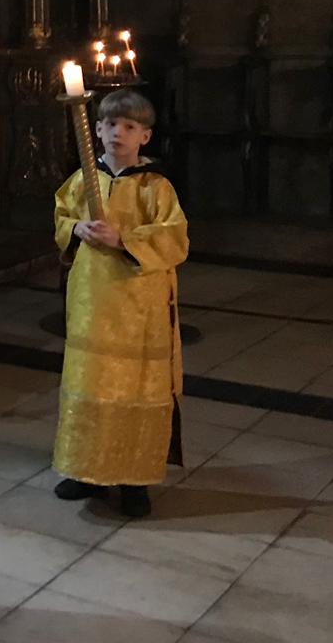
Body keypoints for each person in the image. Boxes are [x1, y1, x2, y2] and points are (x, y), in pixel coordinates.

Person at [52, 87, 187, 519]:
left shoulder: (155, 186)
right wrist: (75, 229)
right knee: (89, 385)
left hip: (137, 307)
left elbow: (174, 238)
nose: (118, 133)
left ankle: (133, 481)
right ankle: (86, 471)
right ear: (95, 129)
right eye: (110, 124)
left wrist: (123, 239)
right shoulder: (82, 179)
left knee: (134, 389)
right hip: (92, 301)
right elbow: (62, 214)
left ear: (145, 136)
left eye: (129, 127)